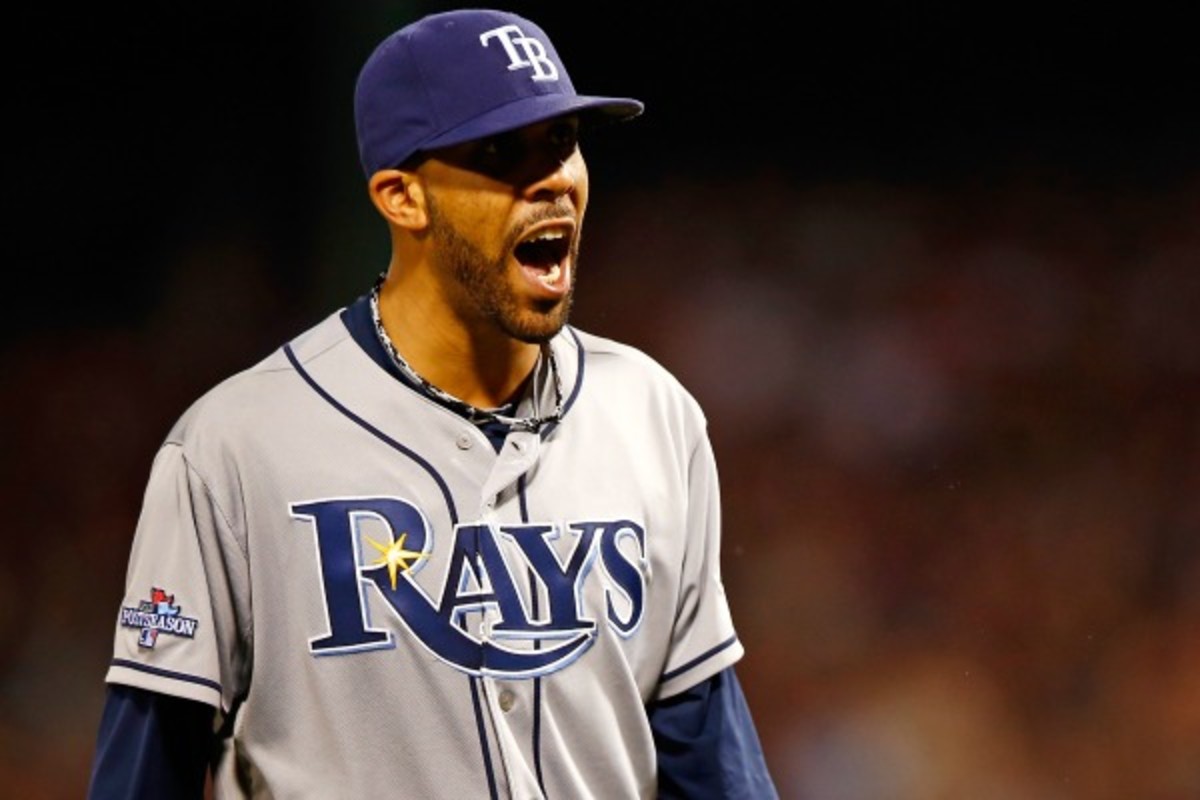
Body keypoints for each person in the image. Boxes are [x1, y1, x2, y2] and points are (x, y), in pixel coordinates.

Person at [86, 8, 778, 799]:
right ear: (401, 196)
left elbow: (707, 746)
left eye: (561, 144)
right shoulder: (235, 449)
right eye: (501, 154)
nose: (552, 179)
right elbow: (147, 765)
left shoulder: (655, 415)